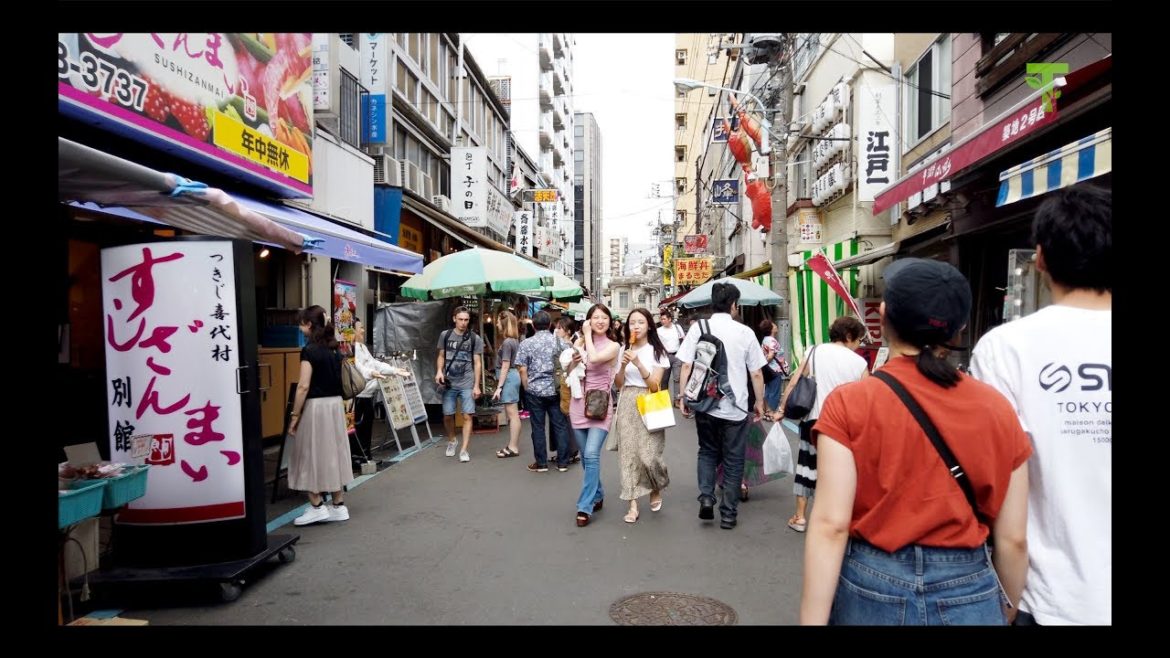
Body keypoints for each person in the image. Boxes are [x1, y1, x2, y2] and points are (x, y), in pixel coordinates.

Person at [799, 258, 1031, 625]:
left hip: (872, 582)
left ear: (885, 315)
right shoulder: (997, 409)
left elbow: (831, 524)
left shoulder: (849, 403)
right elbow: (1014, 538)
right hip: (969, 584)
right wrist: (1005, 607)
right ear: (960, 329)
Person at [970, 184, 1111, 626]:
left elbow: (1007, 516)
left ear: (1041, 258)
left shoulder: (1005, 348)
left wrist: (1007, 606)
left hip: (1049, 602)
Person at [676, 282, 767, 530]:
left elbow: (685, 365)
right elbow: (756, 373)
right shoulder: (745, 332)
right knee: (734, 459)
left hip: (705, 404)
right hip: (735, 407)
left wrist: (683, 396)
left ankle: (706, 496)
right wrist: (759, 403)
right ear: (734, 305)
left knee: (706, 451)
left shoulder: (699, 328)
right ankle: (728, 513)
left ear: (712, 303)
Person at [777, 316, 869, 533]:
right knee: (839, 471)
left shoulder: (815, 351)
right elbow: (867, 398)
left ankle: (800, 518)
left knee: (806, 467)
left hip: (814, 421)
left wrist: (782, 408)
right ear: (849, 336)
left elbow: (795, 380)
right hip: (844, 426)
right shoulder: (859, 363)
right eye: (859, 340)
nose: (859, 345)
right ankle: (836, 518)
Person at [288, 305, 353, 526]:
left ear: (309, 325)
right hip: (335, 407)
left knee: (306, 455)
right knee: (333, 455)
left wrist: (294, 416)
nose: (300, 327)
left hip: (316, 408)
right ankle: (338, 505)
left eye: (301, 323)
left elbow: (303, 386)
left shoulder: (309, 351)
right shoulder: (335, 349)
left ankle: (316, 506)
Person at [613, 308, 672, 524]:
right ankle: (632, 503)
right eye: (632, 323)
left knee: (650, 455)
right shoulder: (623, 349)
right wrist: (623, 365)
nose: (636, 326)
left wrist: (638, 363)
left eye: (640, 322)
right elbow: (618, 384)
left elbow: (655, 386)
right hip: (628, 400)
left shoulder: (657, 351)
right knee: (628, 455)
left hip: (650, 400)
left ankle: (656, 485)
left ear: (649, 325)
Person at [569, 304, 622, 527]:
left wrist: (586, 335)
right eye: (595, 317)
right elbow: (568, 369)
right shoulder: (579, 342)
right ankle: (598, 493)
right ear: (588, 319)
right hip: (578, 403)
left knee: (591, 454)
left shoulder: (614, 346)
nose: (600, 321)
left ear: (610, 322)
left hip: (600, 406)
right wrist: (573, 356)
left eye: (604, 318)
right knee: (585, 456)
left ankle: (584, 506)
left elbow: (595, 358)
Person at [514, 311, 573, 474]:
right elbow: (569, 366)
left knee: (537, 427)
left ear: (533, 325)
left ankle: (541, 463)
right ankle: (562, 462)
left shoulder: (526, 343)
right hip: (556, 389)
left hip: (534, 390)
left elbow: (522, 369)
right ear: (550, 325)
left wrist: (526, 387)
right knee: (560, 426)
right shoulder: (561, 343)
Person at [435, 306, 483, 463]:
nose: (463, 323)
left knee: (467, 415)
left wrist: (476, 385)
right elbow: (441, 355)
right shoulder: (446, 335)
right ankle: (452, 440)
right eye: (461, 319)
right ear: (454, 319)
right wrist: (439, 371)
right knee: (447, 415)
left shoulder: (474, 338)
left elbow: (477, 363)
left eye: (466, 320)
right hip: (449, 382)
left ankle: (464, 449)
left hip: (467, 382)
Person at [351, 317, 391, 463]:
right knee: (359, 429)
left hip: (368, 394)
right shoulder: (351, 349)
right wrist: (372, 373)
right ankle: (359, 459)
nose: (362, 330)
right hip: (359, 395)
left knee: (366, 428)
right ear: (351, 331)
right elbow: (360, 368)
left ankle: (366, 457)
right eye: (359, 328)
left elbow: (374, 364)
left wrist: (393, 370)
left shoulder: (362, 347)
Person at [492, 311, 523, 459]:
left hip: (509, 377)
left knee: (512, 414)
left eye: (498, 321)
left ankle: (513, 446)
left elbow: (505, 365)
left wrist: (499, 387)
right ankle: (512, 445)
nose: (496, 323)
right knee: (513, 414)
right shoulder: (513, 341)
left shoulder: (507, 342)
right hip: (512, 376)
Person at [552, 317, 582, 463]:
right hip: (567, 384)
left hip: (566, 384)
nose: (556, 330)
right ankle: (571, 450)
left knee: (566, 419)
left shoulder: (566, 346)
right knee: (567, 418)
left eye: (560, 328)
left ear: (568, 331)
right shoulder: (567, 345)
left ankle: (569, 451)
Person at [656, 308, 686, 406]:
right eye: (661, 319)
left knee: (677, 379)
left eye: (664, 319)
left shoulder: (677, 328)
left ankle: (676, 400)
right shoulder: (659, 330)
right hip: (665, 356)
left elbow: (683, 339)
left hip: (677, 356)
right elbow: (656, 344)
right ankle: (663, 400)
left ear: (669, 319)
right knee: (664, 379)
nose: (662, 321)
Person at [759, 318, 788, 412]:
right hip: (775, 370)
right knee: (775, 393)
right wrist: (764, 363)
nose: (776, 326)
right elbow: (771, 355)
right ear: (771, 329)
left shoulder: (765, 340)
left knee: (768, 391)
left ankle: (766, 411)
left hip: (769, 370)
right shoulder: (772, 341)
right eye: (774, 325)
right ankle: (770, 412)